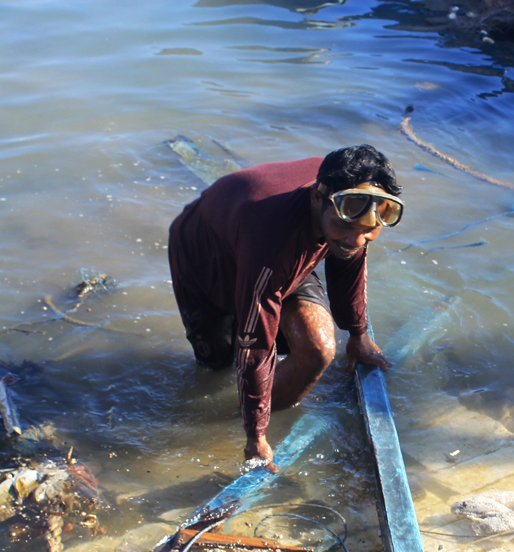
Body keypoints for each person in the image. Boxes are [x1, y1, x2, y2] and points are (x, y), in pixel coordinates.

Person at [168, 144, 404, 468]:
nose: (356, 240)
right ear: (317, 198)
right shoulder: (272, 245)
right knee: (217, 366)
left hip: (278, 250)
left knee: (318, 349)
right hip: (206, 256)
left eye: (368, 231)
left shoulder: (353, 206)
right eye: (347, 227)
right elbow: (256, 346)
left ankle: (248, 411)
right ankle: (229, 422)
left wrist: (357, 334)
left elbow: (349, 264)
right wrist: (255, 437)